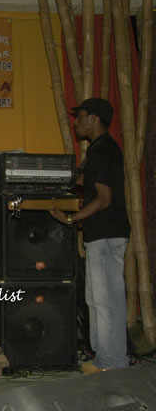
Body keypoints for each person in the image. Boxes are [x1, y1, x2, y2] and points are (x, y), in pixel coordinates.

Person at [49, 97, 130, 373]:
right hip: (101, 235)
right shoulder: (97, 151)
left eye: (80, 116)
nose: (76, 123)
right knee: (97, 300)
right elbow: (90, 190)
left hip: (108, 234)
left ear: (94, 118)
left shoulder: (102, 151)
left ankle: (113, 362)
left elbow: (104, 199)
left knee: (107, 301)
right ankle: (103, 359)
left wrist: (71, 218)